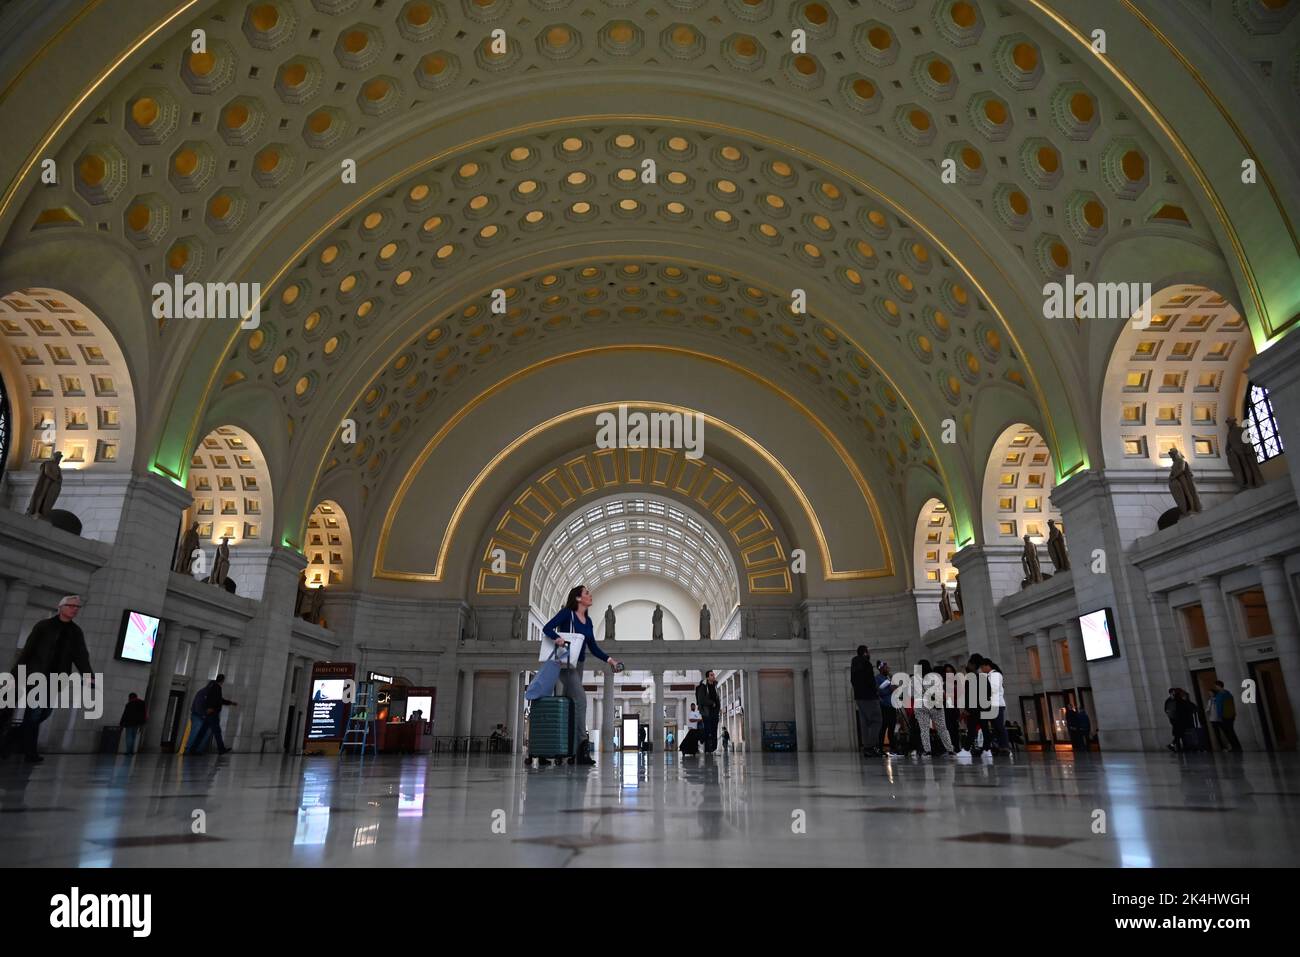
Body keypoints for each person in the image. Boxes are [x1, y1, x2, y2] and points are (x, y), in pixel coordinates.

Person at [1, 596, 93, 764]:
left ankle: (10, 739)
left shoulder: (75, 632)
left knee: (44, 713)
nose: (75, 609)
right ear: (61, 607)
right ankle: (29, 753)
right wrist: (15, 675)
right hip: (36, 677)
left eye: (77, 607)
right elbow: (27, 651)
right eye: (71, 606)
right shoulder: (44, 626)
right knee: (34, 713)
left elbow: (81, 656)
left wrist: (88, 676)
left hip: (56, 679)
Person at [541, 584, 623, 766]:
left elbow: (593, 646)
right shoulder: (566, 614)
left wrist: (609, 660)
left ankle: (563, 749)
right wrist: (557, 638)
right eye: (587, 593)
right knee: (581, 700)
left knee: (569, 706)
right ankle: (581, 748)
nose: (590, 595)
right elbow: (547, 628)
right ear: (578, 598)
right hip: (563, 664)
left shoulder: (588, 621)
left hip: (578, 664)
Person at [912, 659, 956, 757]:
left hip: (921, 706)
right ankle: (950, 749)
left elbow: (911, 694)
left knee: (924, 729)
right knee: (942, 728)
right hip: (935, 705)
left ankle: (927, 751)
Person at [186, 674, 237, 755]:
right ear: (222, 680)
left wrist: (230, 703)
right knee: (217, 732)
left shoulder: (212, 687)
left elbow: (217, 699)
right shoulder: (216, 687)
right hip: (212, 714)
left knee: (202, 732)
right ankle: (221, 749)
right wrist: (210, 708)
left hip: (209, 714)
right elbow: (216, 699)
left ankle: (192, 750)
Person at [851, 645, 883, 757]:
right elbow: (870, 681)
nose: (869, 654)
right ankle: (871, 746)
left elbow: (853, 681)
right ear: (865, 653)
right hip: (869, 697)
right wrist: (876, 691)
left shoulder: (854, 664)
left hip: (859, 697)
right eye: (868, 652)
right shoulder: (866, 664)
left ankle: (867, 747)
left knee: (864, 722)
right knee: (877, 720)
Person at [979, 659, 1012, 755]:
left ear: (987, 666)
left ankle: (1005, 746)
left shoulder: (995, 675)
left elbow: (993, 689)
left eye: (982, 667)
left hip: (997, 704)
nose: (981, 669)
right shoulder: (989, 676)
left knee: (999, 726)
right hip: (991, 704)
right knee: (995, 726)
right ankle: (999, 746)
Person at [1208, 681, 1243, 752]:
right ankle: (1237, 746)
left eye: (1216, 686)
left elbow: (1219, 706)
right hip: (1231, 715)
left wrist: (1219, 716)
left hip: (1225, 715)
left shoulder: (1220, 695)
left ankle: (1235, 747)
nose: (1215, 687)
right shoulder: (1228, 693)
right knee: (1231, 731)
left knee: (1229, 732)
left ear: (1218, 686)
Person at [695, 670, 722, 752]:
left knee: (714, 730)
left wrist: (718, 707)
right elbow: (701, 699)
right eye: (711, 675)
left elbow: (717, 698)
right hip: (707, 712)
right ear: (707, 677)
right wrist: (712, 703)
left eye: (713, 675)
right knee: (708, 730)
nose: (713, 676)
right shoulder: (702, 687)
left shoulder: (715, 685)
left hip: (715, 712)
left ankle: (713, 748)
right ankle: (707, 747)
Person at [876, 662, 895, 752]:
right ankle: (880, 747)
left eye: (888, 667)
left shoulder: (889, 678)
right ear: (881, 669)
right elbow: (878, 692)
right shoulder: (878, 678)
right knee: (884, 726)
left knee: (892, 726)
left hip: (892, 705)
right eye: (886, 668)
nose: (888, 669)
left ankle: (893, 747)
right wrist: (889, 690)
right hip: (884, 706)